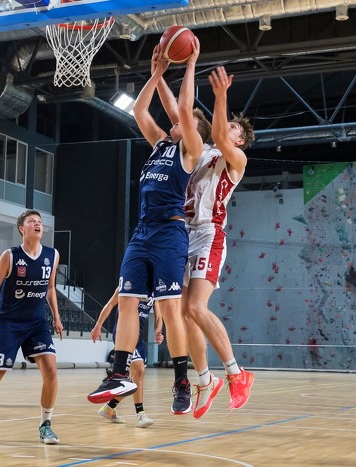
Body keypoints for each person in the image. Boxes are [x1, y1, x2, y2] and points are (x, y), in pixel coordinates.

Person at [87, 43, 209, 412]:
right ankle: (118, 373)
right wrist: (155, 74)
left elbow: (184, 109)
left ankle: (181, 381)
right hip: (142, 232)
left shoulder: (191, 150)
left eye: (184, 122)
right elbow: (140, 110)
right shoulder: (159, 144)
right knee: (127, 301)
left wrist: (190, 63)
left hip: (170, 234)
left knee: (171, 310)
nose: (177, 121)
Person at [179, 65, 256, 418]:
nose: (229, 129)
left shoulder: (236, 158)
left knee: (196, 308)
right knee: (185, 313)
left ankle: (237, 373)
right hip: (185, 233)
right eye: (229, 125)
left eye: (235, 129)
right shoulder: (201, 152)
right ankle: (205, 380)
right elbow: (186, 119)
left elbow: (221, 137)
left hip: (210, 234)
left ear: (240, 140)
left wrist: (221, 96)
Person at [0, 210, 64, 444]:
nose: (37, 224)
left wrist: (56, 317)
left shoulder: (52, 255)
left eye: (40, 222)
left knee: (51, 370)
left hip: (37, 323)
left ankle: (46, 425)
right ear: (22, 228)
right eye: (32, 221)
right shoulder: (10, 256)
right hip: (9, 323)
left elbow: (50, 288)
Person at [91, 287, 163, 428]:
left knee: (133, 378)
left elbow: (158, 317)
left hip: (139, 338)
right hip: (124, 335)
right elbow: (110, 305)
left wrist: (158, 331)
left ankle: (109, 407)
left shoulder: (155, 290)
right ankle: (140, 414)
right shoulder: (127, 284)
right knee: (139, 370)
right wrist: (98, 325)